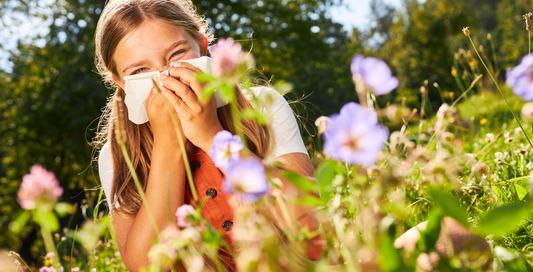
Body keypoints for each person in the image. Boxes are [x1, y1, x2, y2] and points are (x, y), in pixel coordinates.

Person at [93, 0, 319, 270]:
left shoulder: (261, 107)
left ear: (202, 46)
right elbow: (144, 266)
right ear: (121, 82)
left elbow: (310, 224)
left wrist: (212, 136)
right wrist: (169, 146)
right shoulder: (119, 155)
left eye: (176, 54)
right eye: (140, 71)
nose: (163, 77)